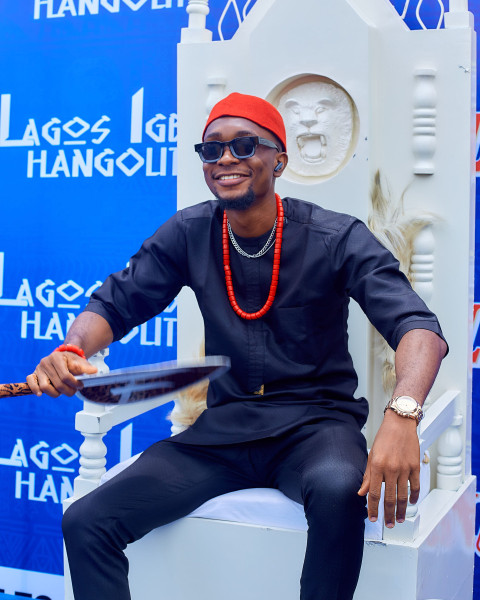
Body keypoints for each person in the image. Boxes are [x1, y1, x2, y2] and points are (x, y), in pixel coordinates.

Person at [27, 93, 447, 600]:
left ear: (279, 160)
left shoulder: (336, 237)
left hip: (315, 428)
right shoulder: (189, 231)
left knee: (339, 490)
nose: (226, 158)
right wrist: (71, 349)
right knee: (87, 520)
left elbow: (416, 325)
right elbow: (117, 303)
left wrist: (403, 415)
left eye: (245, 145)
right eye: (212, 149)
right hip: (222, 436)